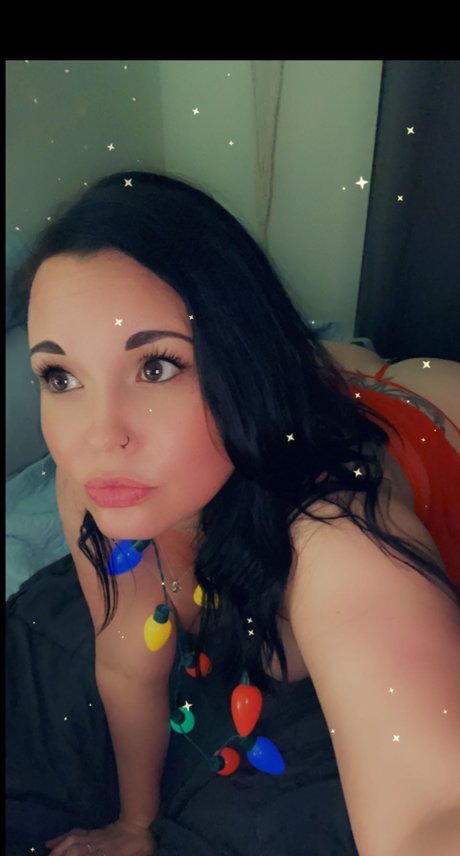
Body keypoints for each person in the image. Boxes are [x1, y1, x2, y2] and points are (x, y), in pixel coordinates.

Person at [6, 170, 460, 856]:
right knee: (329, 368)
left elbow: (433, 807)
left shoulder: (334, 539)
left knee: (412, 374)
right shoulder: (89, 482)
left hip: (428, 427)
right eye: (61, 377)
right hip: (306, 394)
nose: (99, 437)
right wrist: (134, 825)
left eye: (156, 367)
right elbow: (128, 662)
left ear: (243, 359)